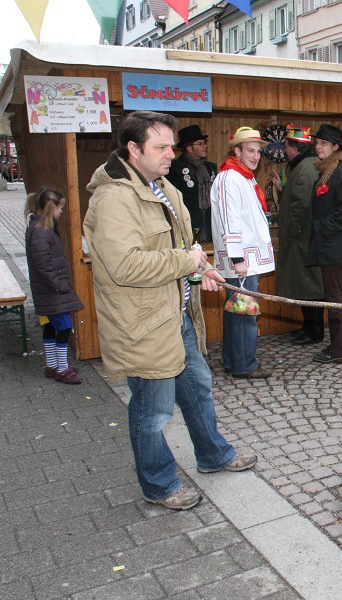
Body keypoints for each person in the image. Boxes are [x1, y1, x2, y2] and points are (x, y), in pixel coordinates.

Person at [84, 110, 256, 511]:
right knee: (153, 412)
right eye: (160, 147)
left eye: (171, 146)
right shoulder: (114, 198)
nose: (169, 154)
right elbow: (127, 266)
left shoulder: (162, 186)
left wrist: (205, 269)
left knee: (198, 391)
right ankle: (158, 484)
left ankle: (213, 455)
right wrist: (187, 261)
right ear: (133, 148)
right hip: (142, 325)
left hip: (175, 317)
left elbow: (185, 246)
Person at [210, 126, 275, 379]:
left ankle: (234, 361)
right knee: (244, 313)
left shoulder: (243, 177)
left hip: (246, 259)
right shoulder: (230, 178)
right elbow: (230, 220)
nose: (255, 156)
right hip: (242, 261)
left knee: (237, 311)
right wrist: (237, 258)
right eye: (250, 150)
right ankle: (243, 365)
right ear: (236, 151)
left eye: (258, 151)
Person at [307, 123, 342, 364]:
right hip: (331, 245)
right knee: (340, 297)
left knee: (336, 298)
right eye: (317, 143)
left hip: (335, 246)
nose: (319, 147)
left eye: (324, 143)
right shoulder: (330, 169)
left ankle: (340, 349)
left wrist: (321, 228)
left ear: (336, 146)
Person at [271, 125, 324, 345]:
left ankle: (315, 331)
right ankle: (308, 327)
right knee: (305, 286)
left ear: (294, 148)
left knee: (309, 286)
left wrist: (290, 234)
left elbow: (301, 208)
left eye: (286, 146)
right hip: (303, 238)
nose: (284, 150)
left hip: (301, 240)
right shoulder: (305, 167)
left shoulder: (303, 169)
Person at [24, 188, 84, 384]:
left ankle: (52, 365)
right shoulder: (42, 231)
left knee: (50, 326)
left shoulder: (38, 228)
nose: (61, 212)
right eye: (60, 208)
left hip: (46, 290)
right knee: (65, 326)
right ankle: (63, 369)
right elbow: (43, 264)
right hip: (53, 291)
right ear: (51, 208)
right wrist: (58, 284)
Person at [166, 124, 217, 243]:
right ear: (189, 148)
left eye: (205, 142)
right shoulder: (174, 167)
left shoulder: (210, 167)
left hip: (209, 221)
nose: (205, 146)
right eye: (200, 143)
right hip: (187, 221)